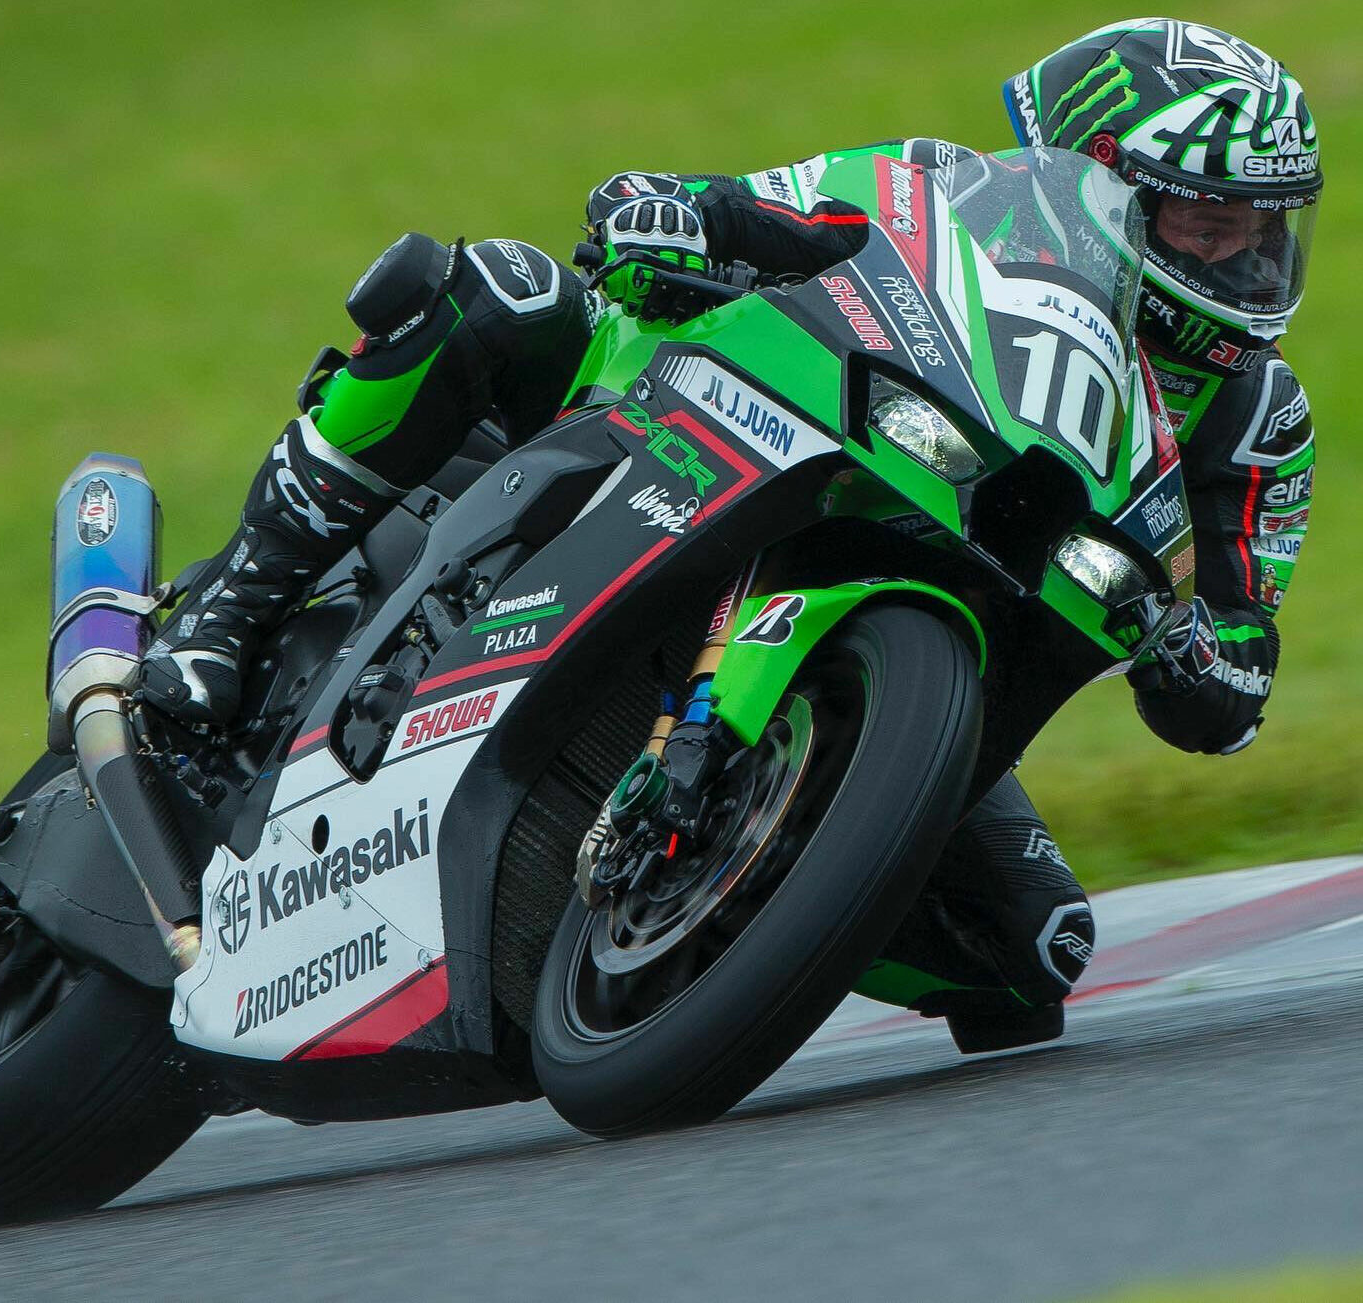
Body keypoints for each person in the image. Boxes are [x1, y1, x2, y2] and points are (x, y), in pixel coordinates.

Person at [141, 18, 1319, 1050]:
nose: (1244, 259)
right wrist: (677, 213)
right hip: (690, 439)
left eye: (1264, 230)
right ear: (1096, 179)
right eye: (1209, 221)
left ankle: (726, 885)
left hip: (945, 605)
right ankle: (230, 609)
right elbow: (768, 206)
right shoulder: (935, 185)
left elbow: (1239, 655)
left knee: (1027, 955)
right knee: (497, 292)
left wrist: (1194, 656)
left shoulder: (1257, 419)